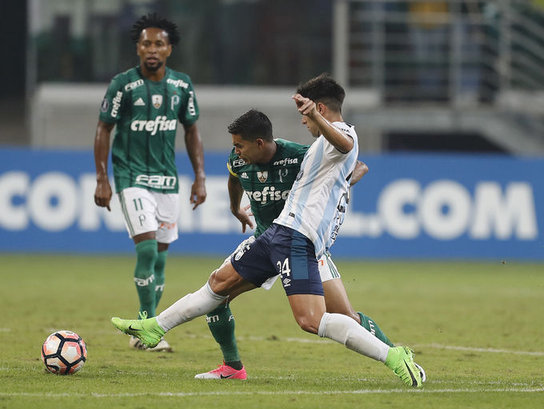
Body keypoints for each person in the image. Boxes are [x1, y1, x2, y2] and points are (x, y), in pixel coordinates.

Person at [111, 73, 425, 387]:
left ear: (319, 108)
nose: (303, 121)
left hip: (297, 237)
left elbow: (345, 146)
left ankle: (393, 356)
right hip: (278, 232)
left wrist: (316, 117)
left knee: (311, 320)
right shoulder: (318, 149)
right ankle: (155, 327)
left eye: (307, 115)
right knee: (219, 283)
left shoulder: (342, 133)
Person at [195, 110, 401, 380]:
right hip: (263, 242)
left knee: (345, 315)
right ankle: (232, 367)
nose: (237, 151)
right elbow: (234, 178)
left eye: (239, 144)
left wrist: (334, 185)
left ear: (259, 142)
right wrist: (235, 208)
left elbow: (357, 166)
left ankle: (398, 355)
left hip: (301, 243)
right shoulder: (239, 157)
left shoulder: (299, 155)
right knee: (215, 297)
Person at [94, 13, 207, 352]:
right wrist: (102, 179)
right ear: (138, 48)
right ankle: (146, 326)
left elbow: (192, 131)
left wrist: (200, 177)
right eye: (146, 43)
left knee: (159, 259)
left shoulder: (182, 86)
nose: (152, 49)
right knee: (145, 248)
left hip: (167, 180)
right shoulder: (122, 85)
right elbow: (103, 128)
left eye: (159, 43)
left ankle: (144, 329)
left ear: (169, 49)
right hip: (130, 176)